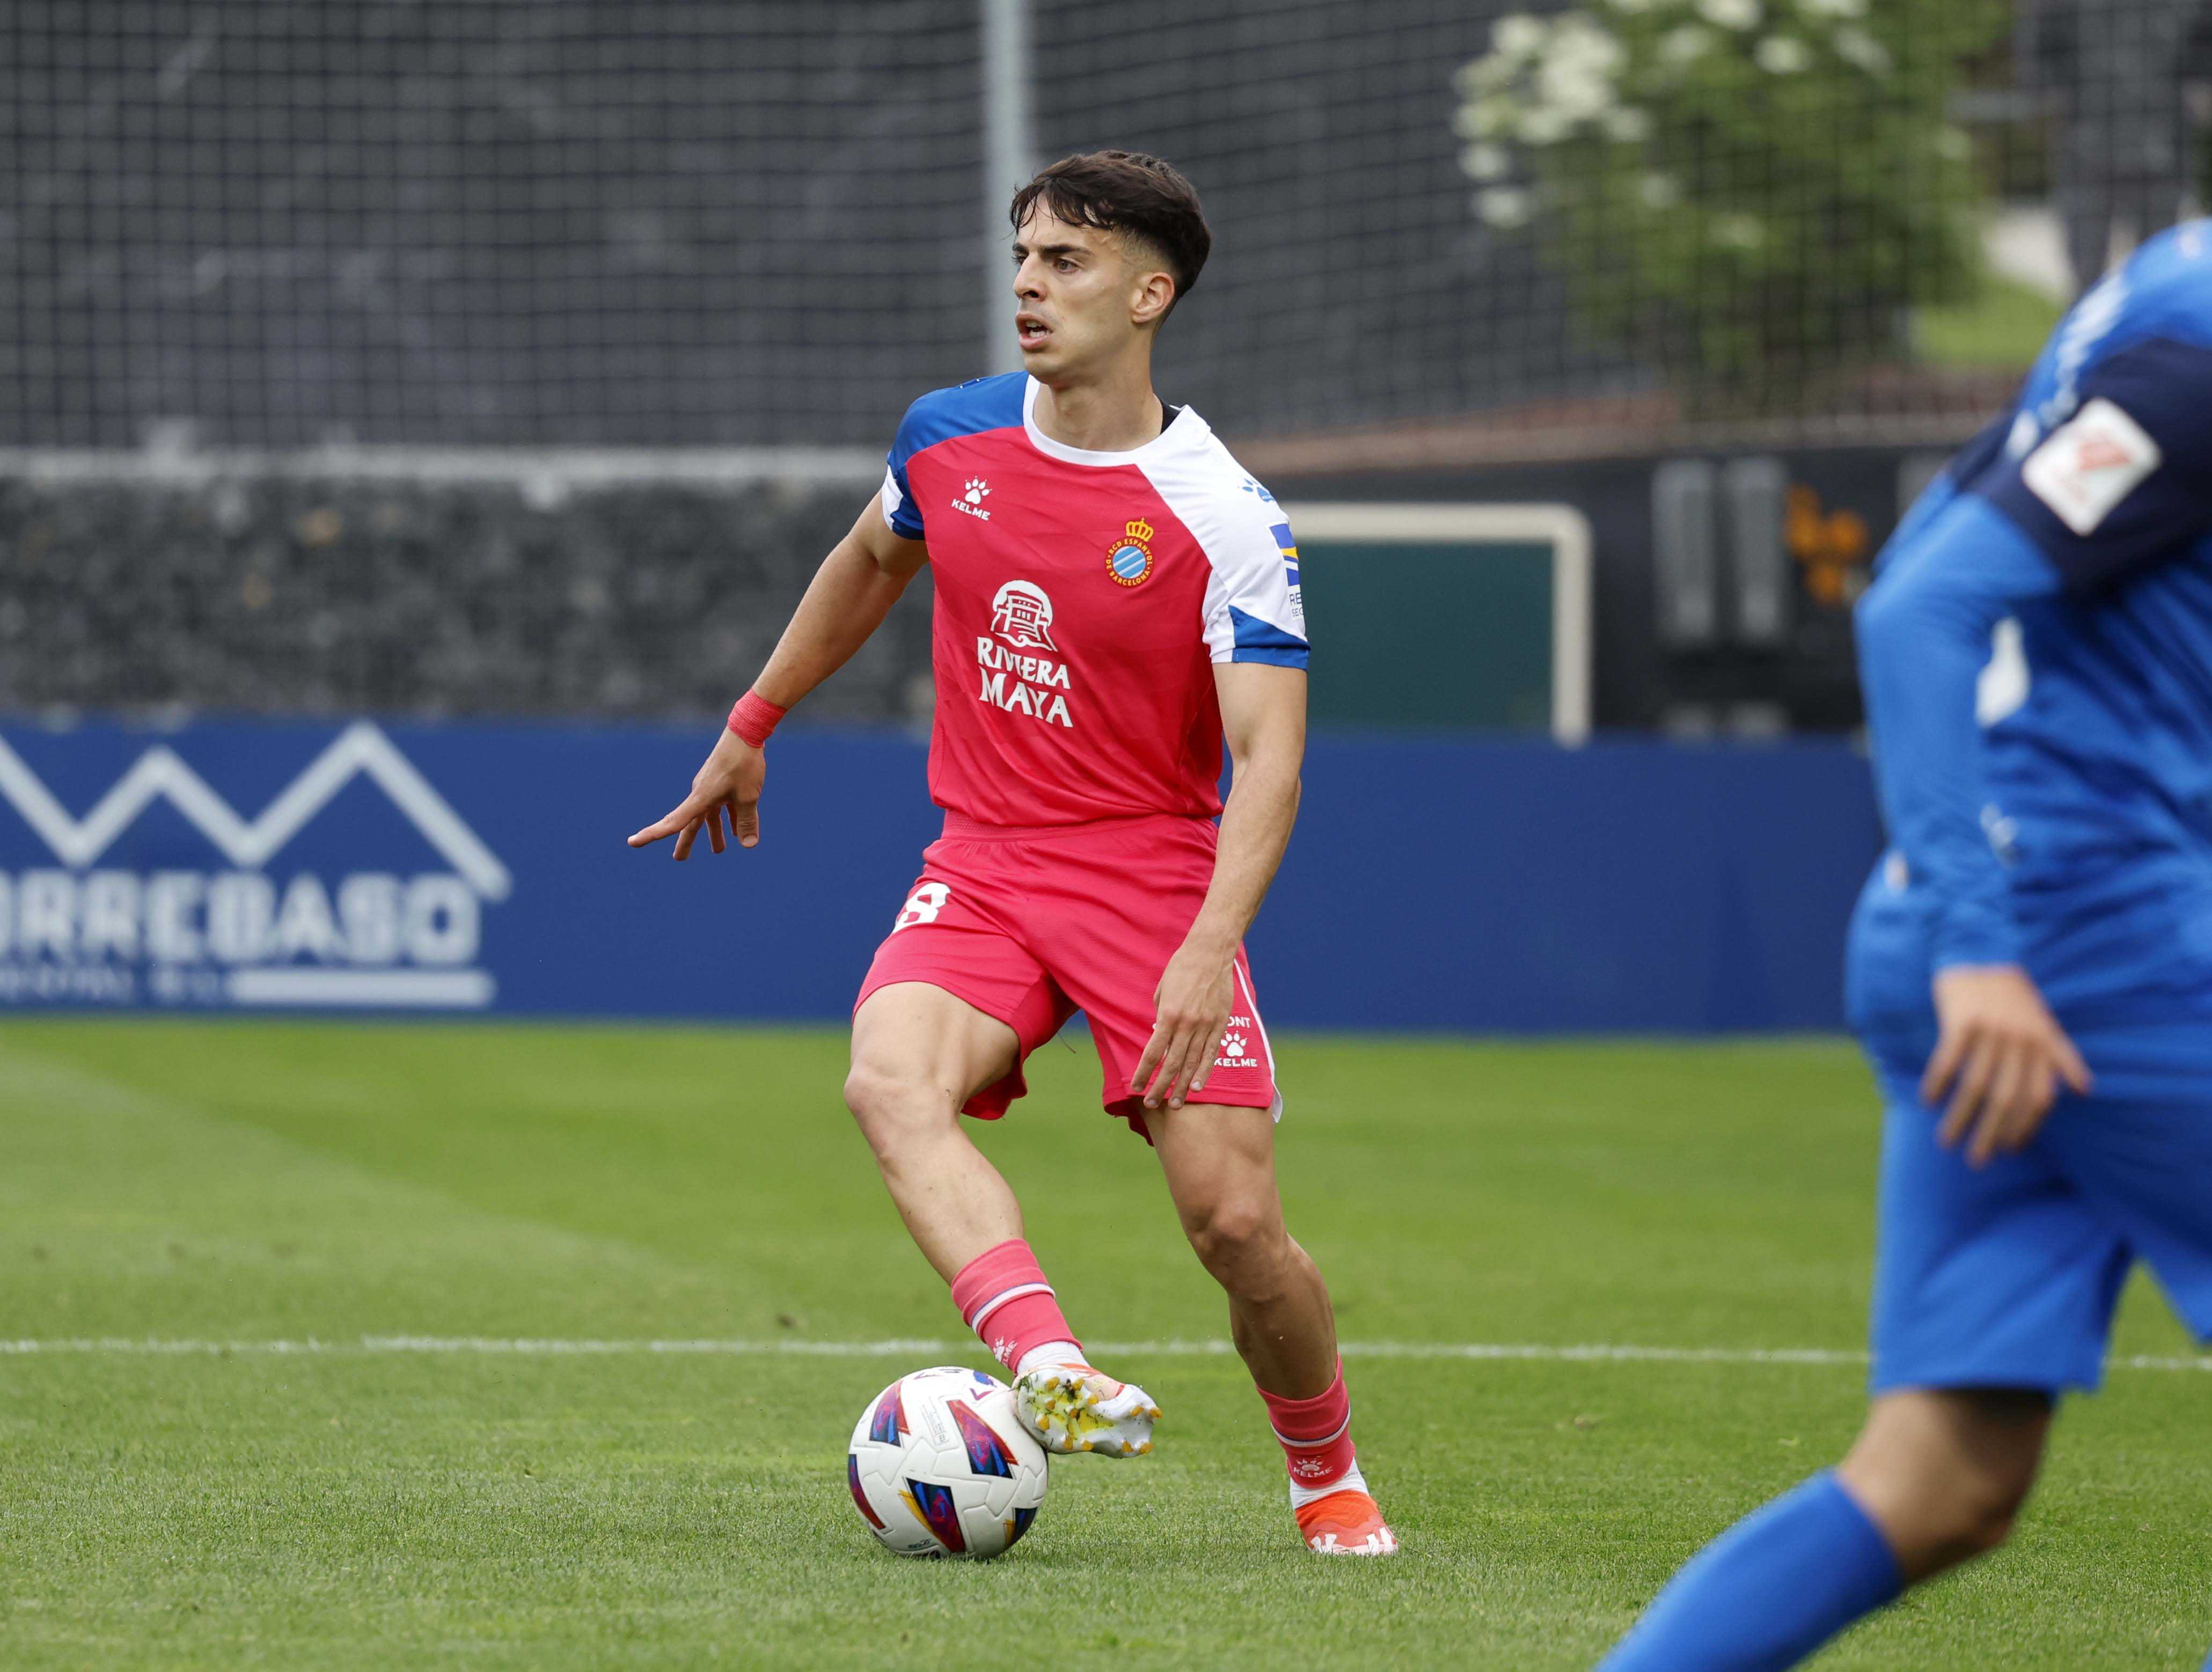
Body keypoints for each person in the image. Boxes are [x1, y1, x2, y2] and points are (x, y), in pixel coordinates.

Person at [629, 150, 1395, 1557]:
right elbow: (870, 561)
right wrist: (752, 722)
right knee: (886, 1079)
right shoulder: (947, 436)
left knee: (1234, 1226)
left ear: (1150, 295)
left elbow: (1270, 758)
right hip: (984, 861)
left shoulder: (1223, 514)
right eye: (1026, 257)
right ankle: (1043, 1360)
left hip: (1152, 882)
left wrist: (1207, 947)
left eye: (1068, 262)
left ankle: (1326, 1473)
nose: (1031, 286)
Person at [1599, 222, 2212, 1667]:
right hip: (2081, 943)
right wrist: (1979, 941)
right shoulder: (2198, 346)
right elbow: (1921, 606)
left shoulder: (2149, 300)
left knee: (1940, 1481)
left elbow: (1943, 536)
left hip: (2003, 937)